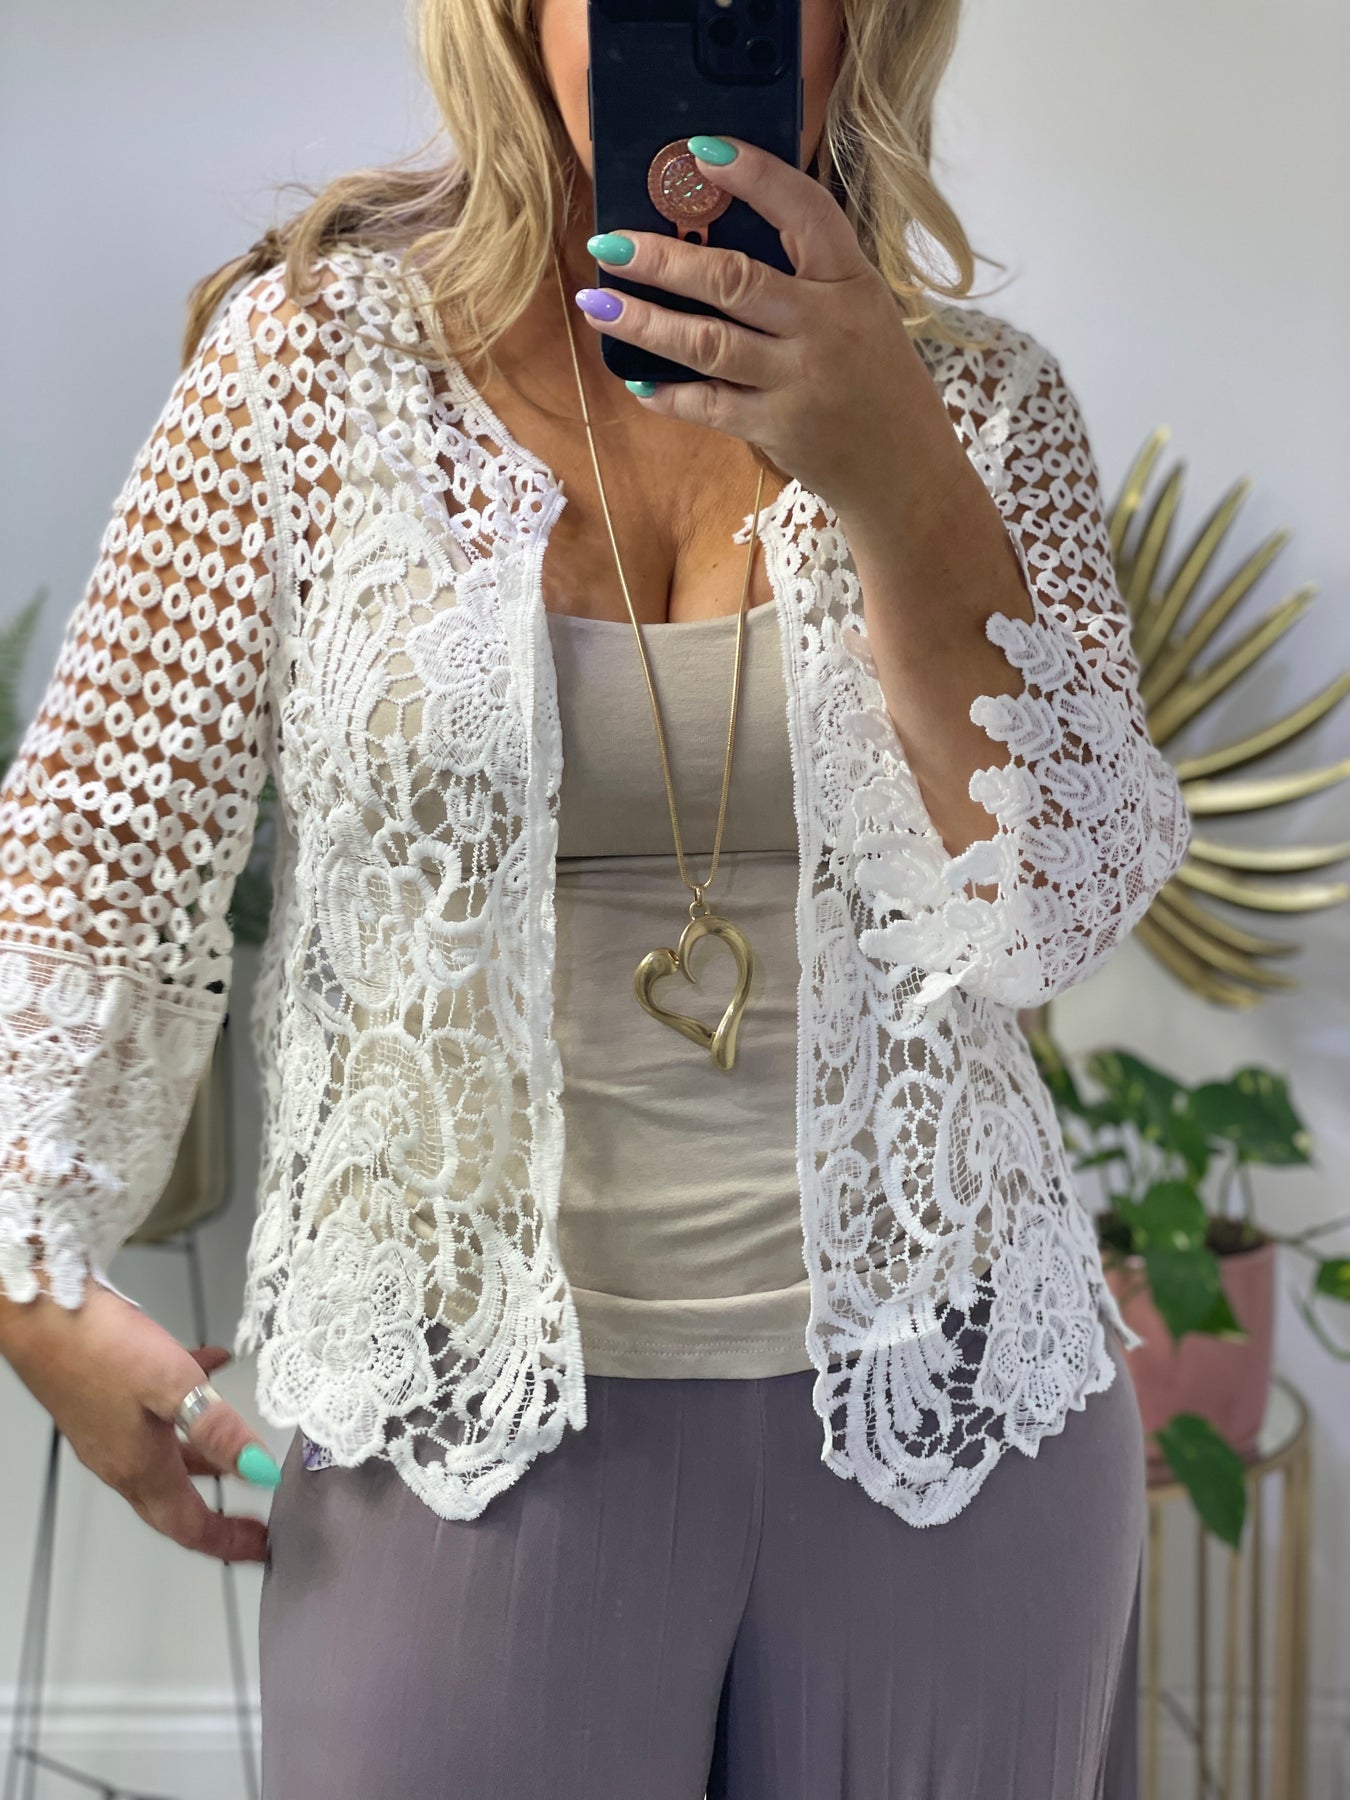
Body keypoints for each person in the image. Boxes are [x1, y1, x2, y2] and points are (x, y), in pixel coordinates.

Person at [0, 0, 1193, 1793]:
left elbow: (1055, 912)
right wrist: (32, 1287)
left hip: (952, 1414)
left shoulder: (977, 404)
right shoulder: (307, 371)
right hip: (454, 1429)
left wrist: (894, 470)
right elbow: (87, 850)